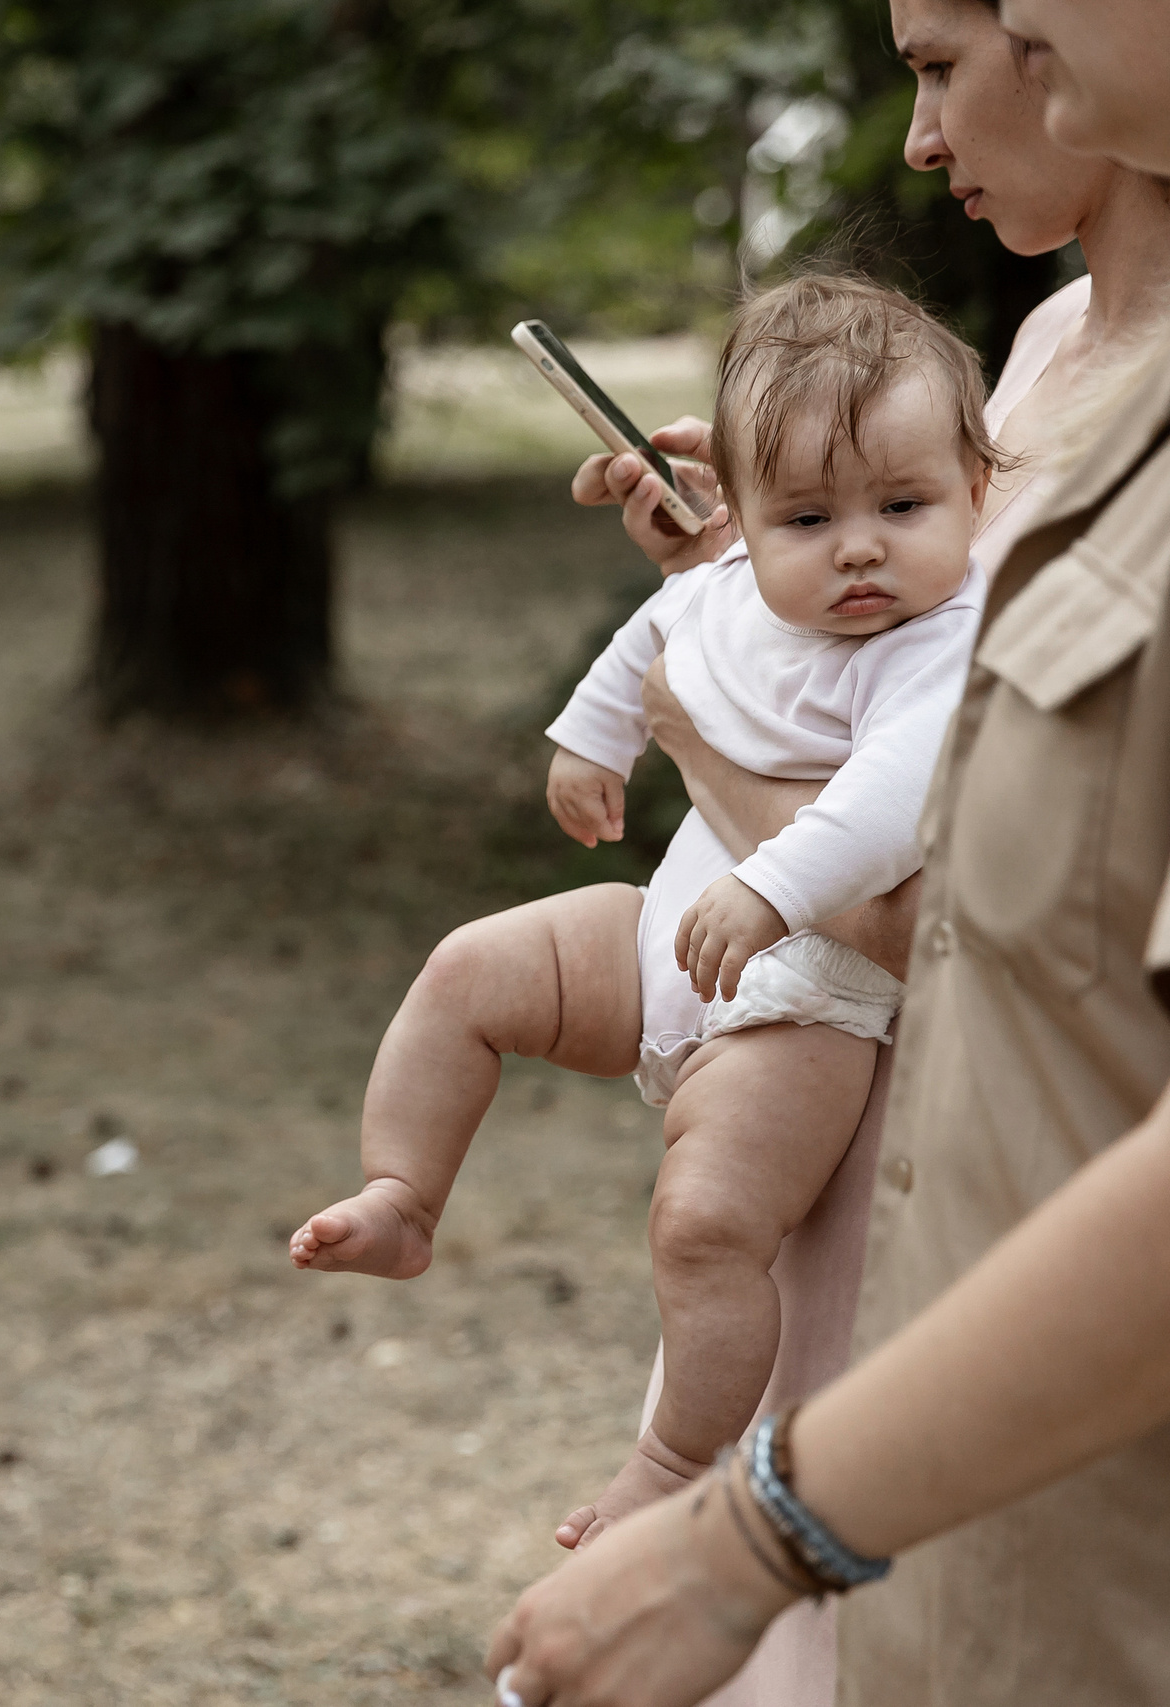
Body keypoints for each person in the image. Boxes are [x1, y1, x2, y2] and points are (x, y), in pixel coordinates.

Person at [486, 2, 1170, 1701]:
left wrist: (718, 749)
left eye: (951, 58)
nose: (925, 128)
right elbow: (929, 736)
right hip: (870, 1268)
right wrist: (741, 593)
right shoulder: (1050, 353)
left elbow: (956, 890)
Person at [289, 275, 996, 1552]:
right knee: (467, 970)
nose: (856, 548)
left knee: (706, 1221)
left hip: (807, 992)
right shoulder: (729, 584)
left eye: (903, 506)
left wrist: (769, 888)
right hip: (670, 933)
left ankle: (673, 1460)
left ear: (975, 494)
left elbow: (892, 806)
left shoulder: (940, 638)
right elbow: (656, 633)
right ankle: (402, 1192)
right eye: (805, 516)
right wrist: (591, 740)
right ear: (742, 512)